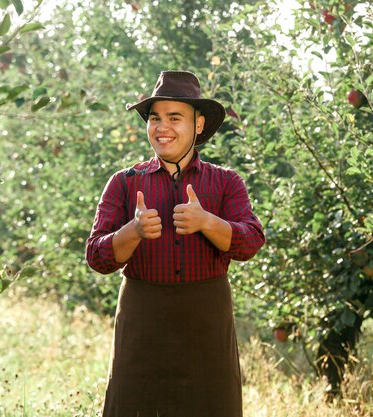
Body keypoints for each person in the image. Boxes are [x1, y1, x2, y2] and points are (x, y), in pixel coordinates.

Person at [85, 70, 265, 417]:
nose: (162, 127)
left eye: (174, 117)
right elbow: (96, 256)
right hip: (142, 316)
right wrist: (132, 231)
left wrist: (207, 222)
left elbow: (251, 242)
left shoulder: (226, 182)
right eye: (155, 118)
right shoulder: (123, 183)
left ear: (198, 125)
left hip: (207, 317)